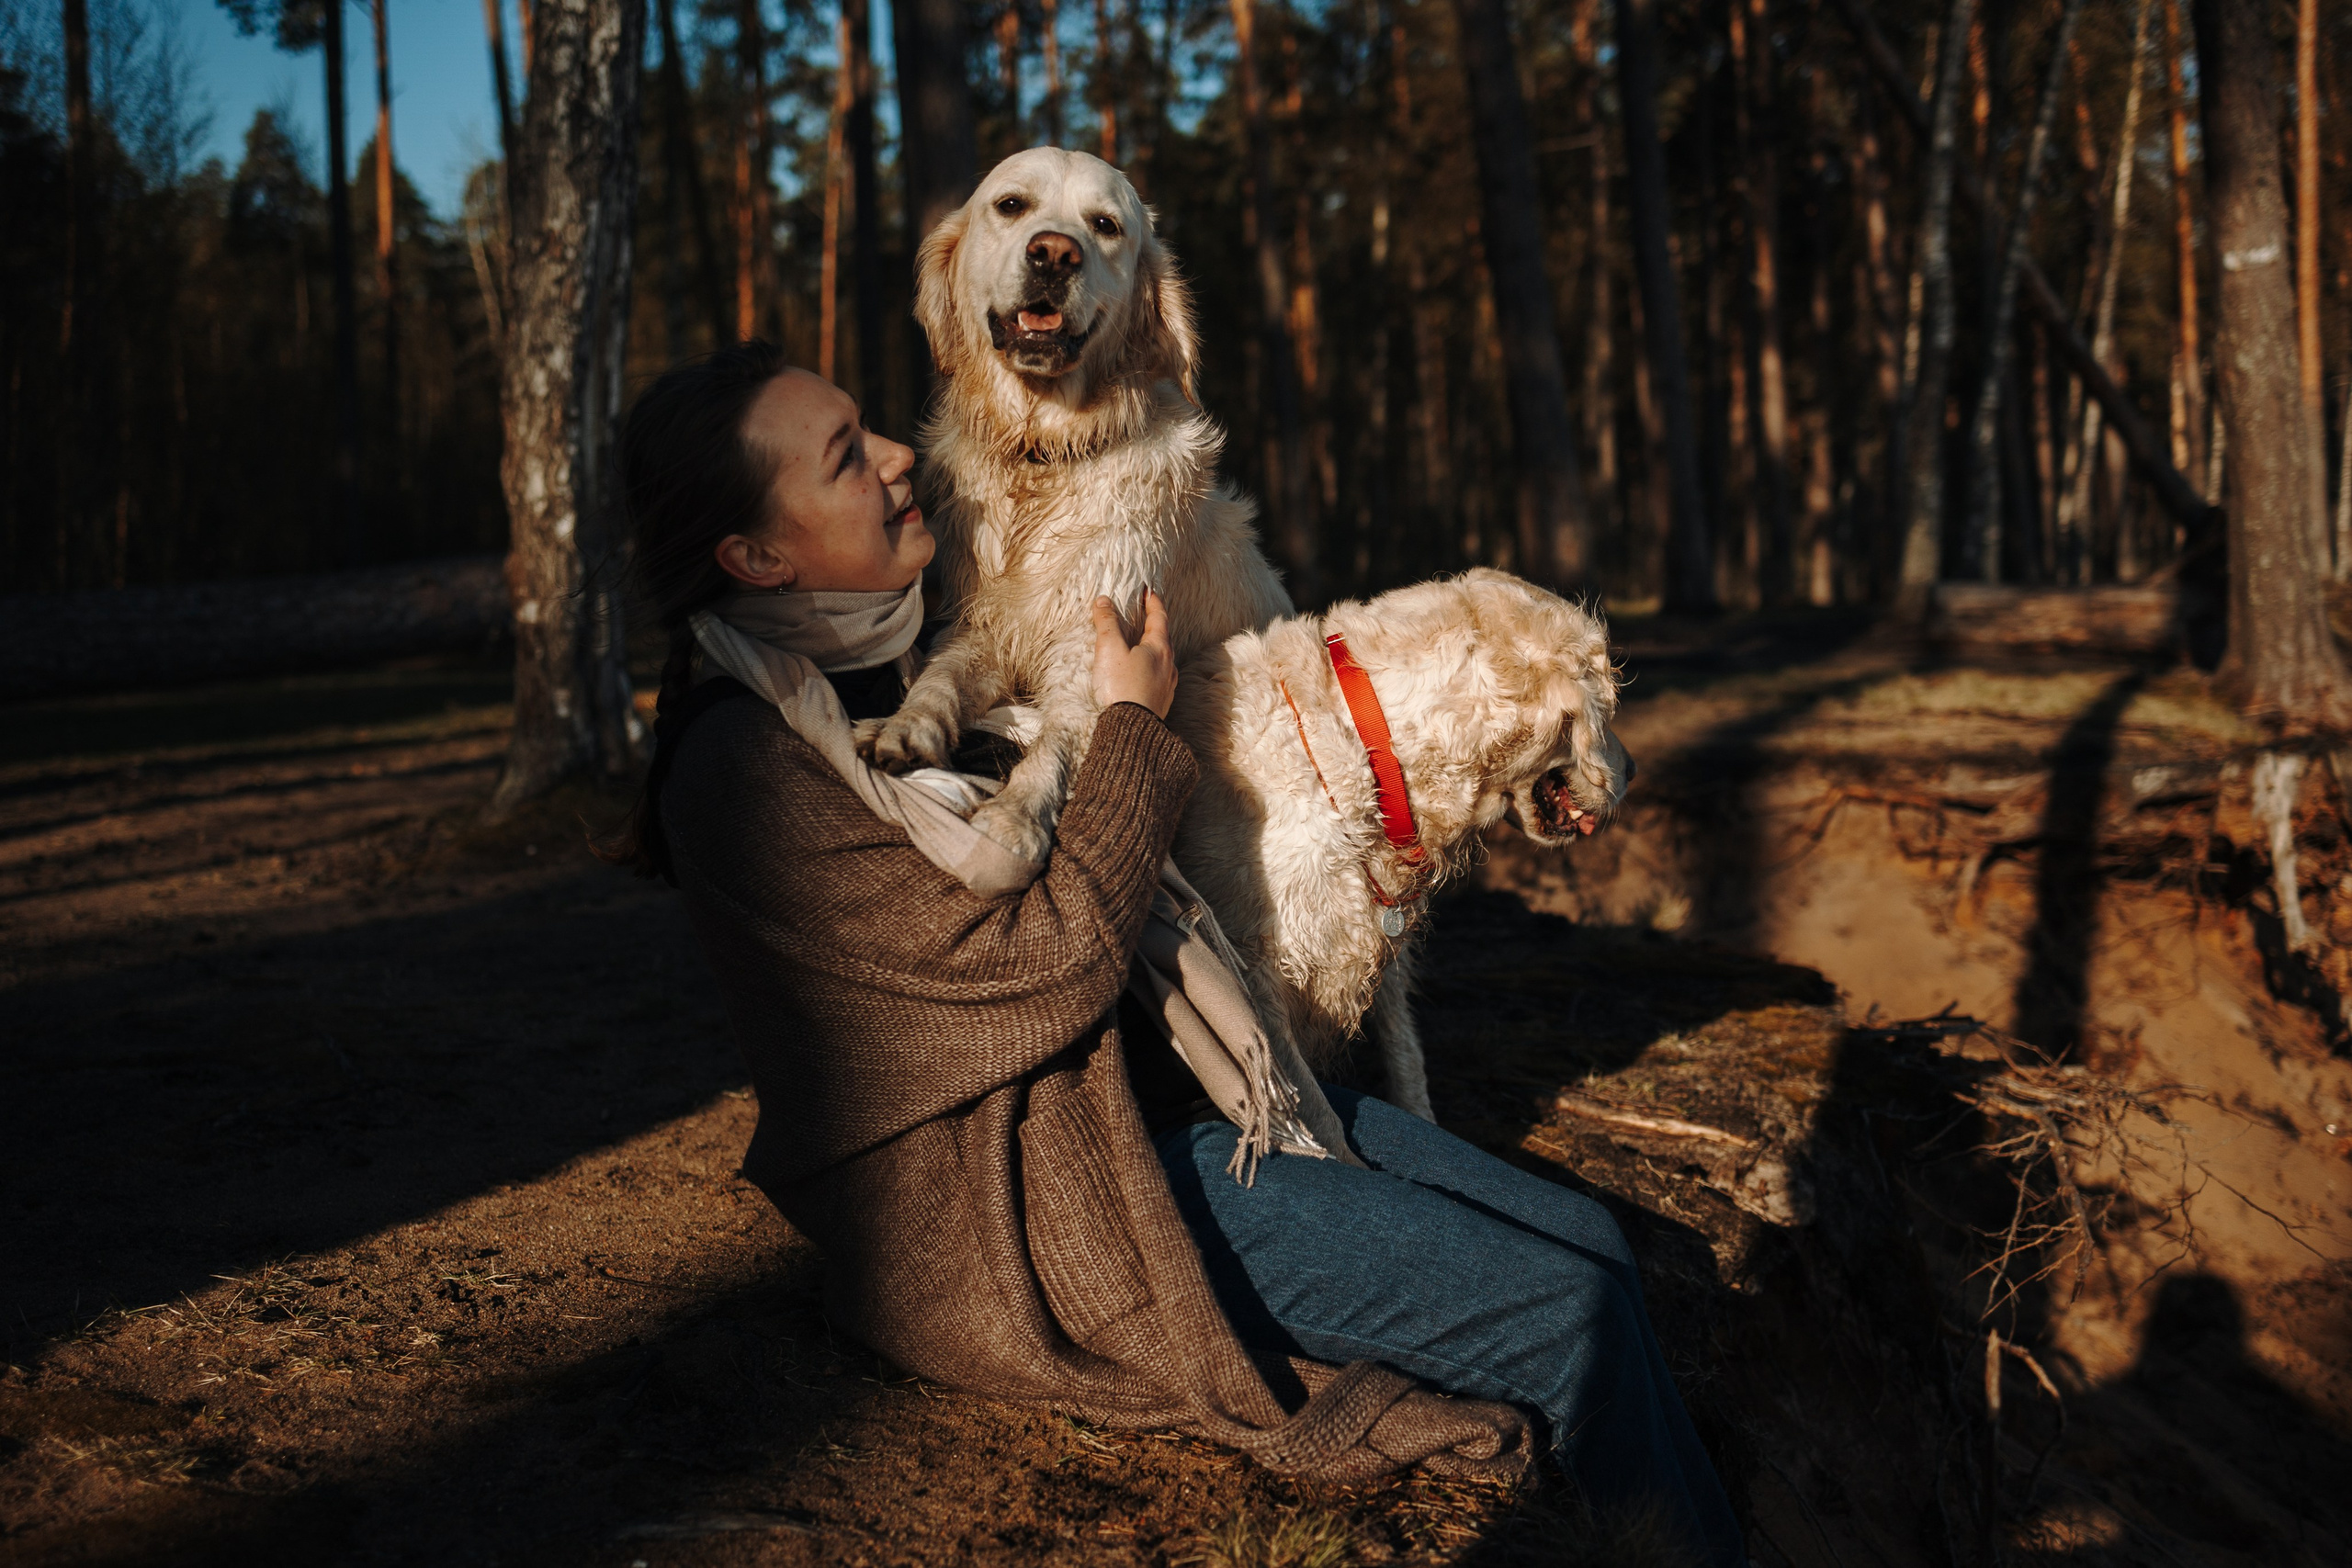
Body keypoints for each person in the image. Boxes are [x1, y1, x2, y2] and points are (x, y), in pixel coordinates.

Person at [600, 341, 1746, 1567]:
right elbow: (1034, 975)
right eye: (843, 457)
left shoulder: (889, 674)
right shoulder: (749, 774)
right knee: (1562, 1315)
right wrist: (1131, 731)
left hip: (1164, 1108)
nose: (894, 456)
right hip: (1049, 1208)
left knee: (1602, 1254)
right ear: (758, 558)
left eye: (869, 430)